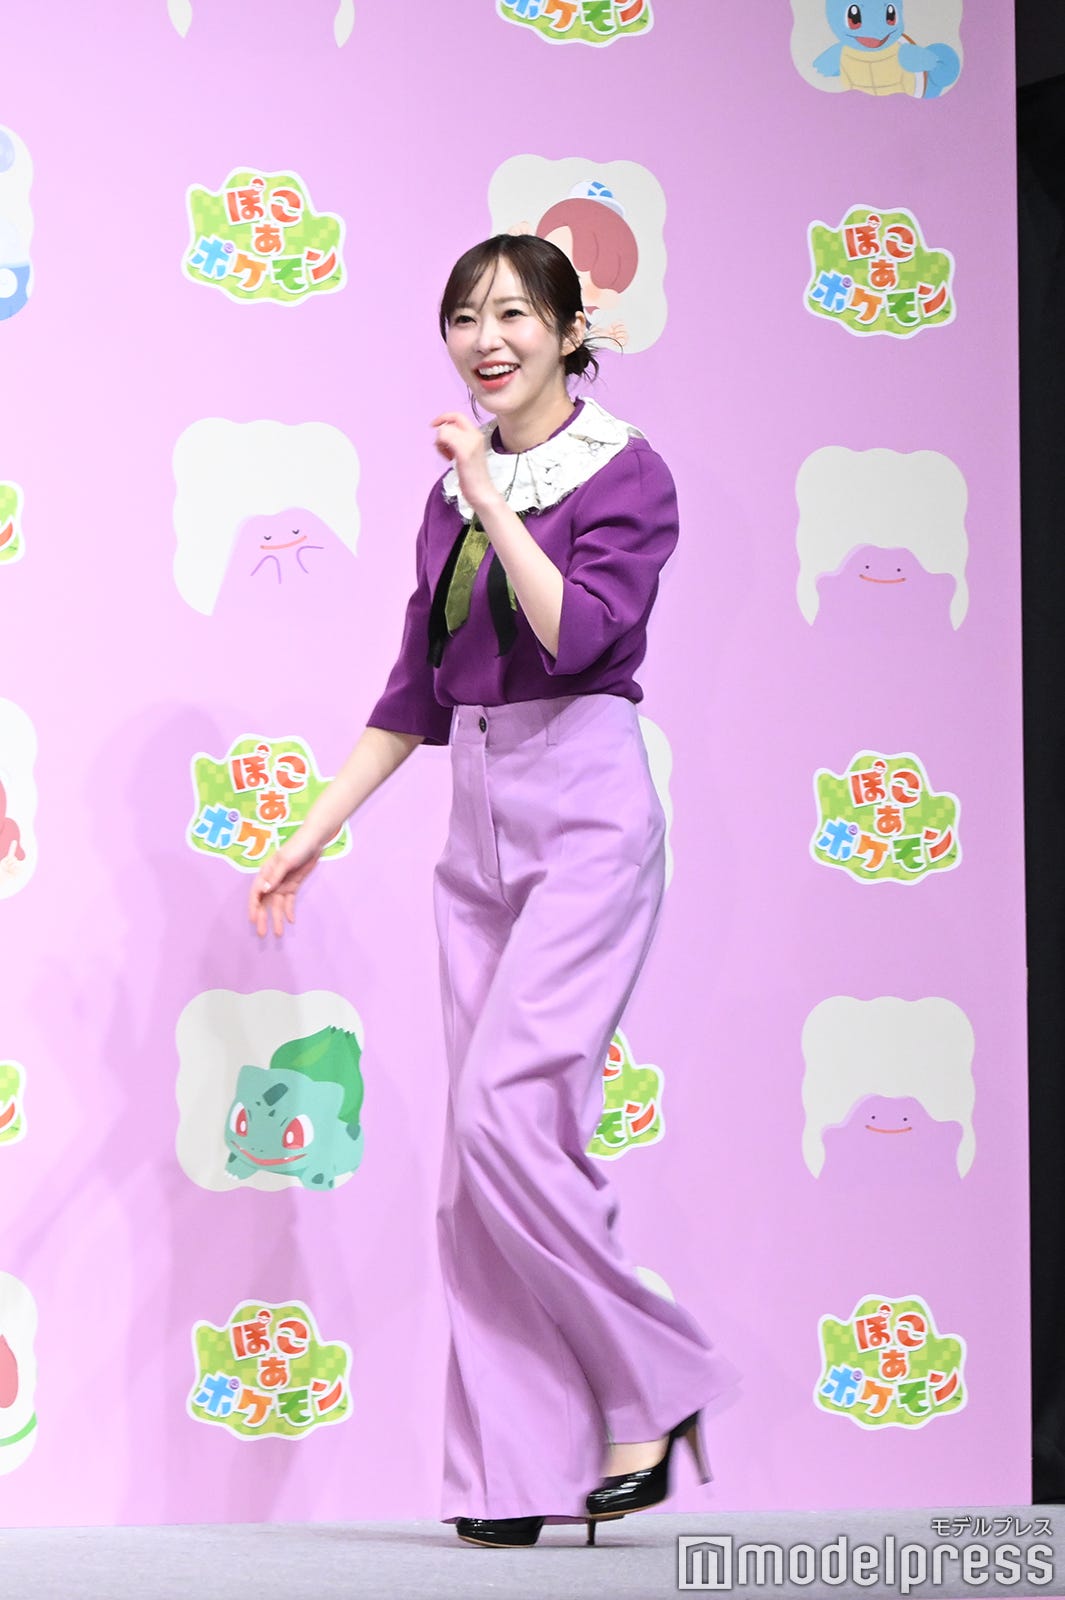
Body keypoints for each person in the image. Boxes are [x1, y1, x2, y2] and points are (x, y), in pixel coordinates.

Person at [248, 235, 736, 1548]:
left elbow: (581, 635)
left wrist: (493, 497)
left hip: (584, 807)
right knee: (477, 1172)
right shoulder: (447, 493)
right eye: (465, 317)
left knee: (508, 1118)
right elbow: (414, 688)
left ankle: (657, 1380)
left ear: (572, 332)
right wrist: (311, 833)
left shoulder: (624, 472)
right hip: (474, 821)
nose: (486, 340)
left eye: (514, 313)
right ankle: (512, 1476)